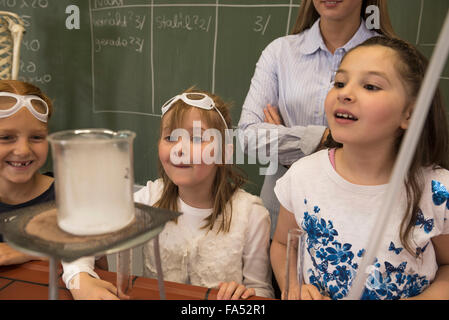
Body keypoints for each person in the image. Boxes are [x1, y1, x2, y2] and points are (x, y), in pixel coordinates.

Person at [271, 36, 449, 300]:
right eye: (340, 82)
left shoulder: (437, 190)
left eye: (371, 86)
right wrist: (293, 287)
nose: (345, 93)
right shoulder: (303, 176)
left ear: (410, 114)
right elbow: (283, 244)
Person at [62, 88, 274, 300]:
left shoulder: (251, 215)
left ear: (224, 153)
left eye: (198, 139)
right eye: (170, 137)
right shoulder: (148, 200)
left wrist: (247, 295)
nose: (179, 149)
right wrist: (80, 280)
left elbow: (262, 290)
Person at [238, 0, 397, 239]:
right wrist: (326, 138)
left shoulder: (392, 58)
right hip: (284, 220)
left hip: (361, 221)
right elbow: (248, 136)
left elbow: (394, 144)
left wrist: (287, 145)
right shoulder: (280, 52)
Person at [0, 80, 54, 266]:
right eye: (6, 137)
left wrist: (27, 250)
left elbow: (97, 266)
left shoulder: (68, 197)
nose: (23, 150)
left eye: (37, 137)